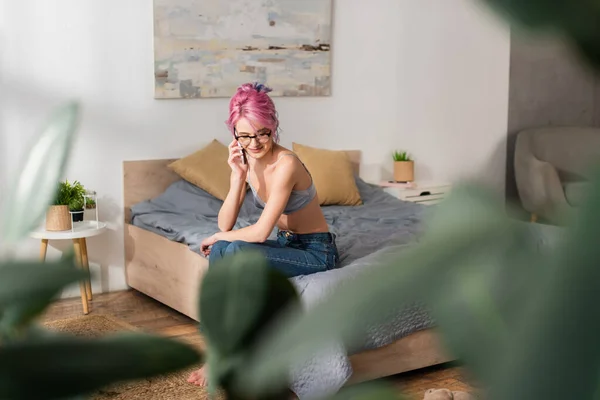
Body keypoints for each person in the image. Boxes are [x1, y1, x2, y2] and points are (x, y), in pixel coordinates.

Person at [187, 82, 340, 387]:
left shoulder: (287, 164)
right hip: (286, 245)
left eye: (262, 133)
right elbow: (225, 224)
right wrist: (237, 176)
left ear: (273, 127)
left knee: (232, 250)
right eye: (244, 135)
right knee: (222, 251)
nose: (254, 143)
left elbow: (259, 233)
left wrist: (219, 238)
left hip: (315, 252)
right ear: (234, 134)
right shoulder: (248, 160)